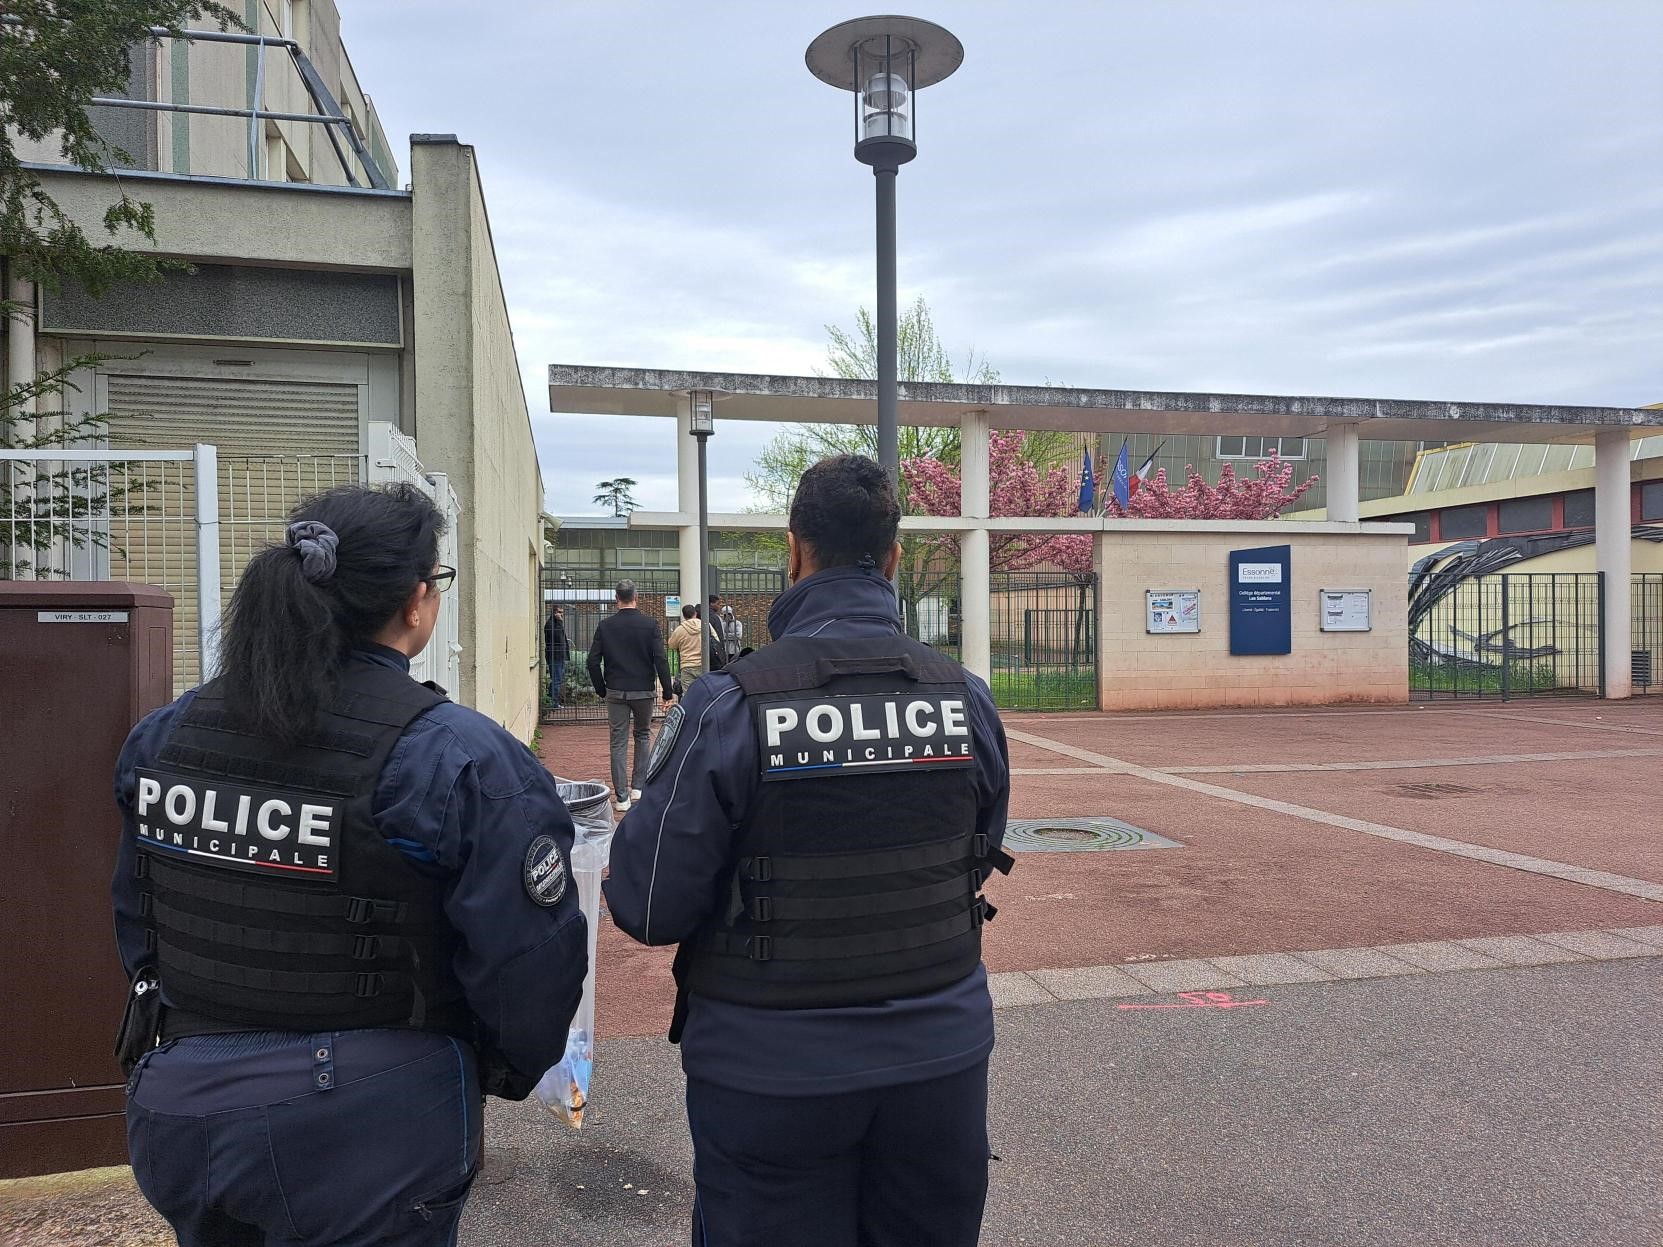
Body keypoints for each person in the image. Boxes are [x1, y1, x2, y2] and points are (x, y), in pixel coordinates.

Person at [111, 484, 588, 1247]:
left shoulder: (168, 735)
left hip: (179, 1100)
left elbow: (141, 919)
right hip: (367, 1124)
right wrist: (498, 1069)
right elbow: (529, 959)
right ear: (416, 600)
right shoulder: (454, 755)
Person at [605, 455, 1013, 1247]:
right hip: (940, 1056)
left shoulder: (729, 703)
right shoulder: (964, 697)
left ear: (793, 551)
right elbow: (979, 846)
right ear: (892, 558)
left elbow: (648, 905)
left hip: (770, 1069)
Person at [585, 579, 674, 811]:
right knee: (643, 735)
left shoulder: (605, 626)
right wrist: (667, 691)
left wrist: (601, 689)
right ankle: (638, 787)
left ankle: (621, 798)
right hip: (643, 690)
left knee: (618, 742)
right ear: (636, 597)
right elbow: (661, 660)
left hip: (615, 690)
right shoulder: (650, 625)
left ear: (617, 600)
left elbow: (592, 662)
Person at [668, 602, 719, 687]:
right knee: (705, 691)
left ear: (684, 616)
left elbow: (671, 645)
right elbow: (716, 640)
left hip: (687, 665)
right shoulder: (706, 625)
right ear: (695, 613)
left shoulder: (679, 629)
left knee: (688, 694)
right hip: (704, 663)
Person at [544, 603, 570, 708]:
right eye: (559, 612)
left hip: (560, 656)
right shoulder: (550, 624)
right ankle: (553, 703)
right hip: (554, 656)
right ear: (554, 613)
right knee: (556, 680)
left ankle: (552, 701)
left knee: (558, 679)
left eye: (562, 613)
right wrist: (559, 622)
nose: (561, 615)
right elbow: (558, 638)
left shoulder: (557, 624)